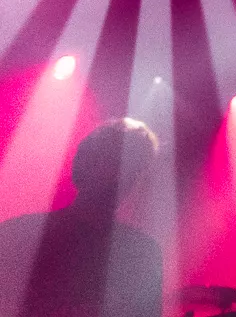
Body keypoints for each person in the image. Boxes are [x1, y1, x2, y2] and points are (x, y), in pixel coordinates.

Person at [0, 117, 162, 317]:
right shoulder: (18, 233)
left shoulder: (144, 252)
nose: (124, 176)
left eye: (135, 167)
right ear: (86, 162)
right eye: (116, 161)